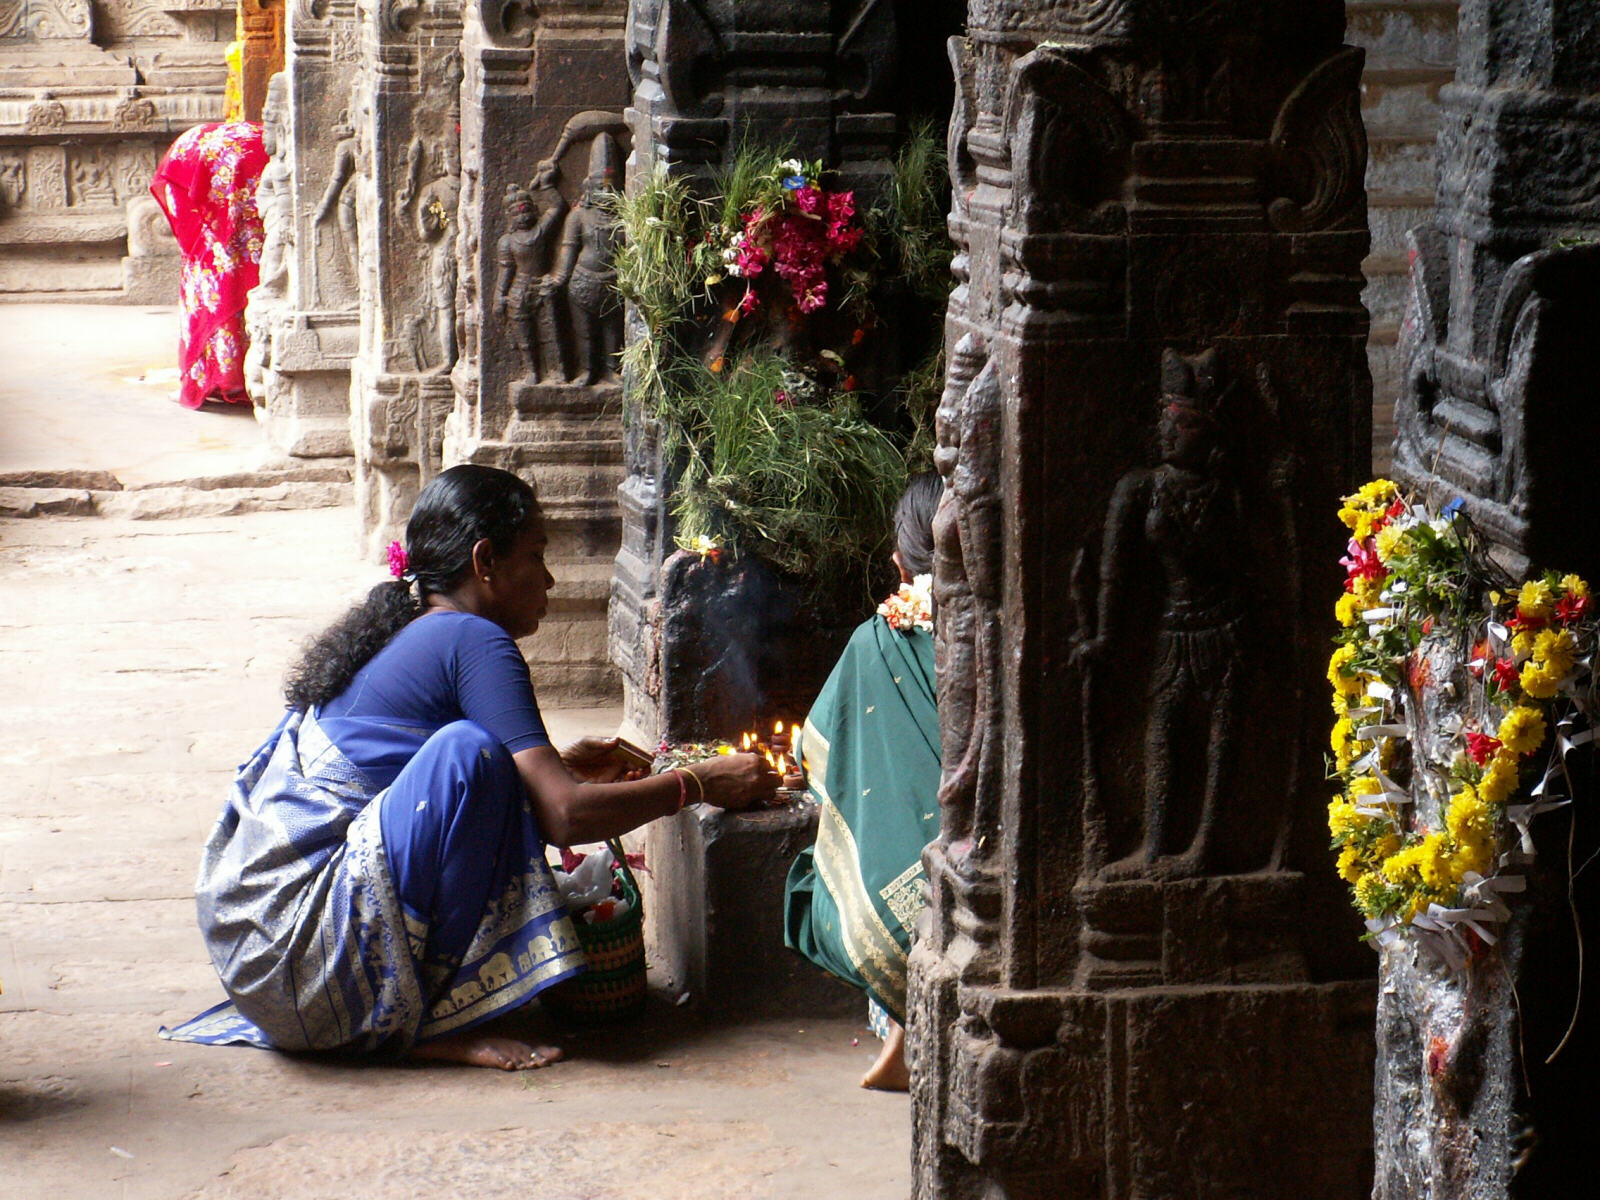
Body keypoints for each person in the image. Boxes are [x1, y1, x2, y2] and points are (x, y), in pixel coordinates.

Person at [164, 465, 778, 1069]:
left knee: (485, 762)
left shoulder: (413, 623)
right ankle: (423, 1025)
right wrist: (696, 783)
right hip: (310, 965)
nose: (552, 579)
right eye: (537, 555)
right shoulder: (475, 640)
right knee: (472, 752)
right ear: (485, 563)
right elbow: (564, 816)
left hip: (267, 965)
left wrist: (552, 769)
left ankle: (409, 1009)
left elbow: (431, 792)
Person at [783, 473, 944, 1091]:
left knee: (821, 875)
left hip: (908, 912)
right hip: (1006, 865)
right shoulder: (1011, 631)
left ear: (900, 563)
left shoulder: (878, 641)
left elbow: (817, 753)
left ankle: (902, 1028)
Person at [149, 121, 268, 408]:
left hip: (218, 196)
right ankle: (236, 377)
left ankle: (220, 378)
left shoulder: (197, 154)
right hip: (242, 215)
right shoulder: (258, 148)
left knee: (216, 291)